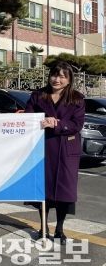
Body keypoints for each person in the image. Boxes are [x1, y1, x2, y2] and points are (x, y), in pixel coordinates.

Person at [24, 61, 85, 243]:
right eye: (54, 75)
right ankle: (43, 227)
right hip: (42, 147)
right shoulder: (38, 95)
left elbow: (77, 124)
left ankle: (60, 229)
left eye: (62, 76)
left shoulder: (77, 98)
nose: (57, 79)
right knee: (42, 189)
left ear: (69, 79)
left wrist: (58, 123)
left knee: (64, 191)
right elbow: (28, 116)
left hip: (66, 150)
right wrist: (43, 120)